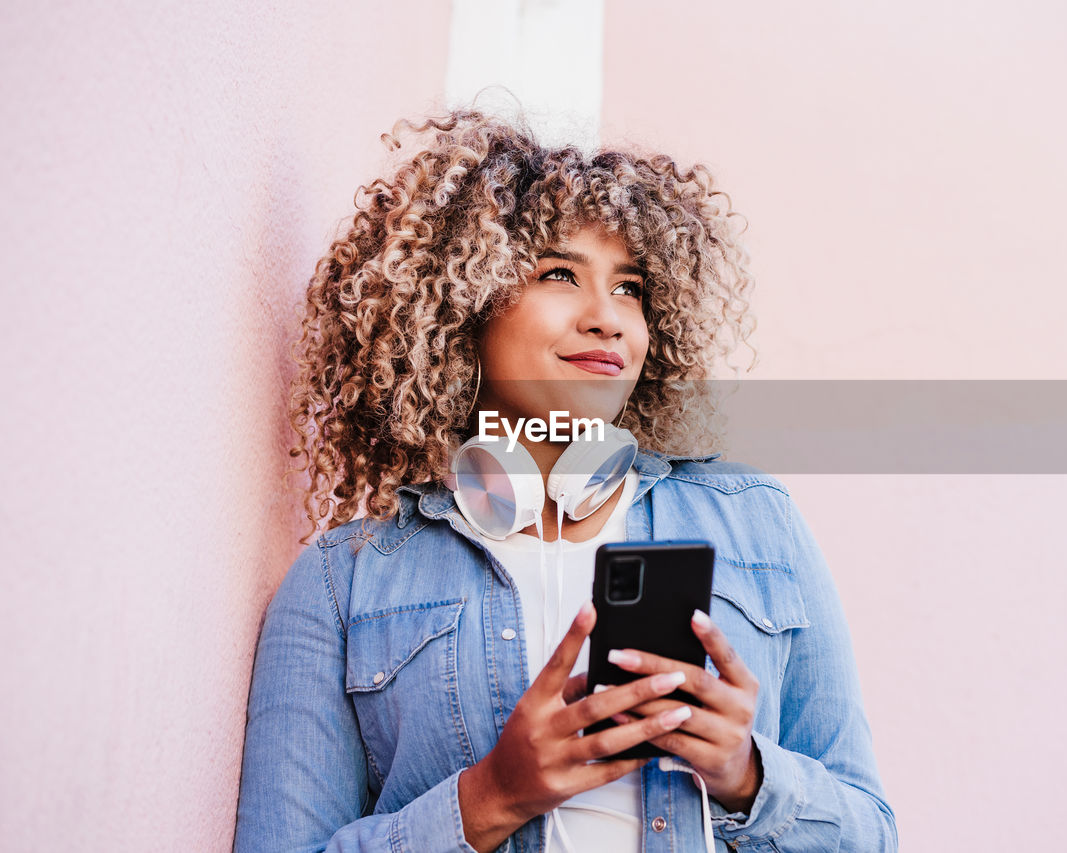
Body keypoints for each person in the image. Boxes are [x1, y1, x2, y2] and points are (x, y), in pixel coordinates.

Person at [234, 108, 898, 853]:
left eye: (631, 288)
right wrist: (492, 796)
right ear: (464, 306)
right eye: (559, 274)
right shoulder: (340, 584)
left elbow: (870, 833)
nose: (608, 319)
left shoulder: (755, 523)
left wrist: (748, 776)